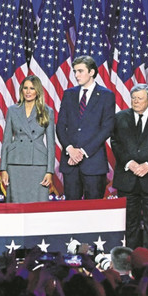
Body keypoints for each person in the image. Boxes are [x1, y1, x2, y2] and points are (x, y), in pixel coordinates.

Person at [111, 84, 148, 258]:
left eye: (140, 98)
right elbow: (115, 142)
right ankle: (130, 261)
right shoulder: (120, 117)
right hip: (127, 179)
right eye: (133, 98)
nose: (136, 102)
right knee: (130, 224)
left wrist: (147, 165)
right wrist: (129, 163)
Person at [56, 55, 115, 200]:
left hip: (93, 162)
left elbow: (107, 128)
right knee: (71, 210)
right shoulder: (69, 94)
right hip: (70, 163)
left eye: (80, 71)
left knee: (93, 211)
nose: (76, 75)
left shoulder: (106, 95)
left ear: (92, 72)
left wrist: (82, 152)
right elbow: (61, 125)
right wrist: (70, 149)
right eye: (75, 71)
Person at [0, 75, 55, 203]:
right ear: (21, 90)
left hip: (38, 164)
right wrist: (3, 169)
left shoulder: (47, 111)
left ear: (38, 91)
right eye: (25, 88)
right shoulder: (13, 110)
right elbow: (6, 140)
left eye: (32, 88)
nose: (28, 92)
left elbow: (51, 144)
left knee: (38, 204)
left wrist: (49, 171)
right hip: (15, 162)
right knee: (15, 204)